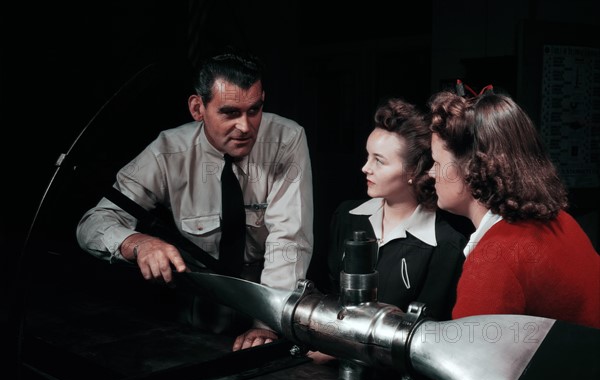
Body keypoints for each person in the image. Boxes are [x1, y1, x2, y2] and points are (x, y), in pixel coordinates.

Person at [76, 49, 314, 351]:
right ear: (197, 108)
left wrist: (266, 326)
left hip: (267, 304)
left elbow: (289, 240)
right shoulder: (167, 152)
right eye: (229, 113)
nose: (245, 126)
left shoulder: (287, 139)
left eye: (254, 110)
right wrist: (137, 243)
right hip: (194, 314)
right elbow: (92, 224)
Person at [423, 87, 600, 380]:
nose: (430, 173)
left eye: (437, 161)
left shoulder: (496, 254)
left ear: (469, 169)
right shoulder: (562, 221)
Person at [327, 97, 467, 320]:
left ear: (413, 170)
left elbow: (426, 332)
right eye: (367, 156)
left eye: (379, 161)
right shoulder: (346, 216)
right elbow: (331, 297)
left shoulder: (446, 246)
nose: (365, 168)